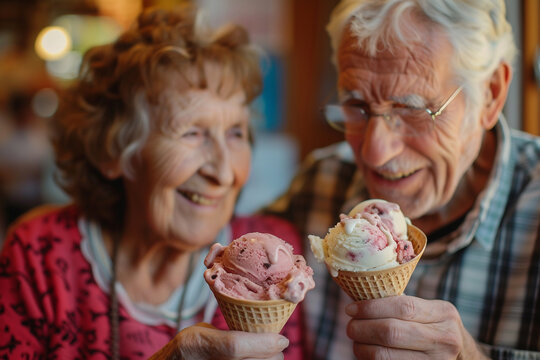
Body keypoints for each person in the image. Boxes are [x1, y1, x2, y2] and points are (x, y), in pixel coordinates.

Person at [0, 6, 306, 359]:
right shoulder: (40, 254)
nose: (224, 172)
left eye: (236, 132)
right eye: (192, 132)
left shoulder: (278, 265)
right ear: (113, 150)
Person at [265, 0, 540, 359]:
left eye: (412, 110)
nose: (375, 153)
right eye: (357, 107)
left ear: (490, 94)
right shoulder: (321, 181)